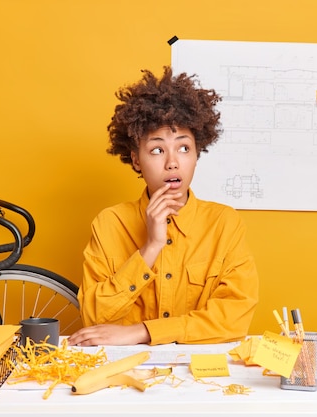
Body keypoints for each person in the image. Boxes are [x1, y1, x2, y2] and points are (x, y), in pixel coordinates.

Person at [67, 67, 259, 347]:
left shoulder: (223, 223)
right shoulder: (110, 223)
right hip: (126, 371)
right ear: (135, 160)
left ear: (196, 154)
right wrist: (151, 247)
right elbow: (94, 317)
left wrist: (144, 332)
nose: (172, 162)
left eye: (184, 148)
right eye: (157, 150)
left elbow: (234, 317)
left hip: (200, 373)